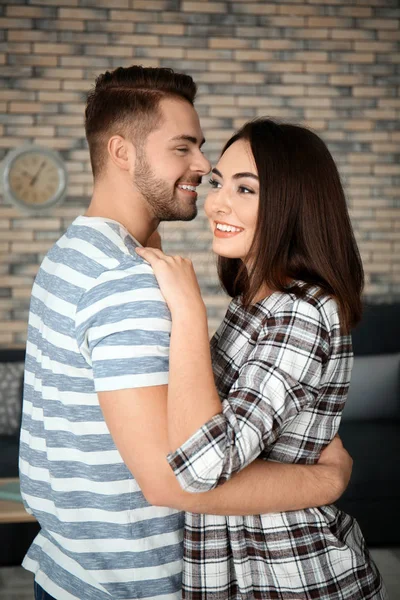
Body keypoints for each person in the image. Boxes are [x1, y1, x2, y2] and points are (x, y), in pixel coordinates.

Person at [19, 66, 353, 600]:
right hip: (133, 583)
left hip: (73, 565)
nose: (202, 166)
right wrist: (326, 480)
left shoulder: (69, 256)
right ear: (122, 152)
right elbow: (175, 480)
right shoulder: (129, 282)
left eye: (203, 151)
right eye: (184, 148)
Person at [137, 118, 388, 599]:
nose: (216, 203)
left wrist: (189, 311)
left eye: (246, 189)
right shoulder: (256, 302)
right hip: (238, 565)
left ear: (294, 205)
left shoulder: (301, 312)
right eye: (218, 183)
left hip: (287, 573)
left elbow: (203, 466)